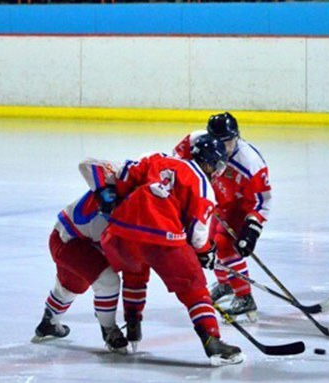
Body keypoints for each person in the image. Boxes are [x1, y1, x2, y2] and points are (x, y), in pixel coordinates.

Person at [80, 135, 244, 366]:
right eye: (216, 165)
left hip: (120, 233)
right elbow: (198, 235)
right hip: (162, 238)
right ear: (208, 163)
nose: (216, 171)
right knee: (194, 287)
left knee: (134, 273)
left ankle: (133, 325)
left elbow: (124, 178)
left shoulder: (158, 159)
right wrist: (206, 251)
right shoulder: (203, 185)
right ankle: (212, 341)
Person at [174, 112, 271, 321]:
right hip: (215, 199)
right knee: (206, 243)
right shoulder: (196, 142)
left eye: (228, 141)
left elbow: (263, 200)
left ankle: (244, 296)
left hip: (239, 205)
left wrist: (252, 228)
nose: (223, 147)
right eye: (218, 141)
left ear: (236, 136)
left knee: (226, 245)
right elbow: (177, 163)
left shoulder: (250, 163)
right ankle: (226, 283)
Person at [31, 190, 128, 353]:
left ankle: (49, 321)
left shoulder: (121, 186)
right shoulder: (127, 197)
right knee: (108, 280)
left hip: (67, 237)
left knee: (72, 285)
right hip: (70, 241)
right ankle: (109, 330)